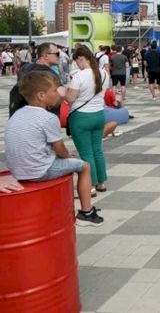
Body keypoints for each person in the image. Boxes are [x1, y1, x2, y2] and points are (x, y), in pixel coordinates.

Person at [5, 71, 104, 225]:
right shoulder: (48, 118)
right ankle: (87, 213)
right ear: (41, 96)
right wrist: (67, 155)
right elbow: (60, 150)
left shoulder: (17, 115)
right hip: (38, 171)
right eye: (54, 91)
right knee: (84, 166)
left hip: (17, 170)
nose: (58, 94)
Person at [63, 45, 110, 195]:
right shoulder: (103, 73)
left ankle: (90, 186)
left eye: (76, 61)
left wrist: (63, 91)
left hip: (81, 117)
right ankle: (101, 182)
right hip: (99, 115)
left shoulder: (79, 76)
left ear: (81, 59)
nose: (77, 64)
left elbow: (70, 98)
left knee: (86, 153)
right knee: (97, 150)